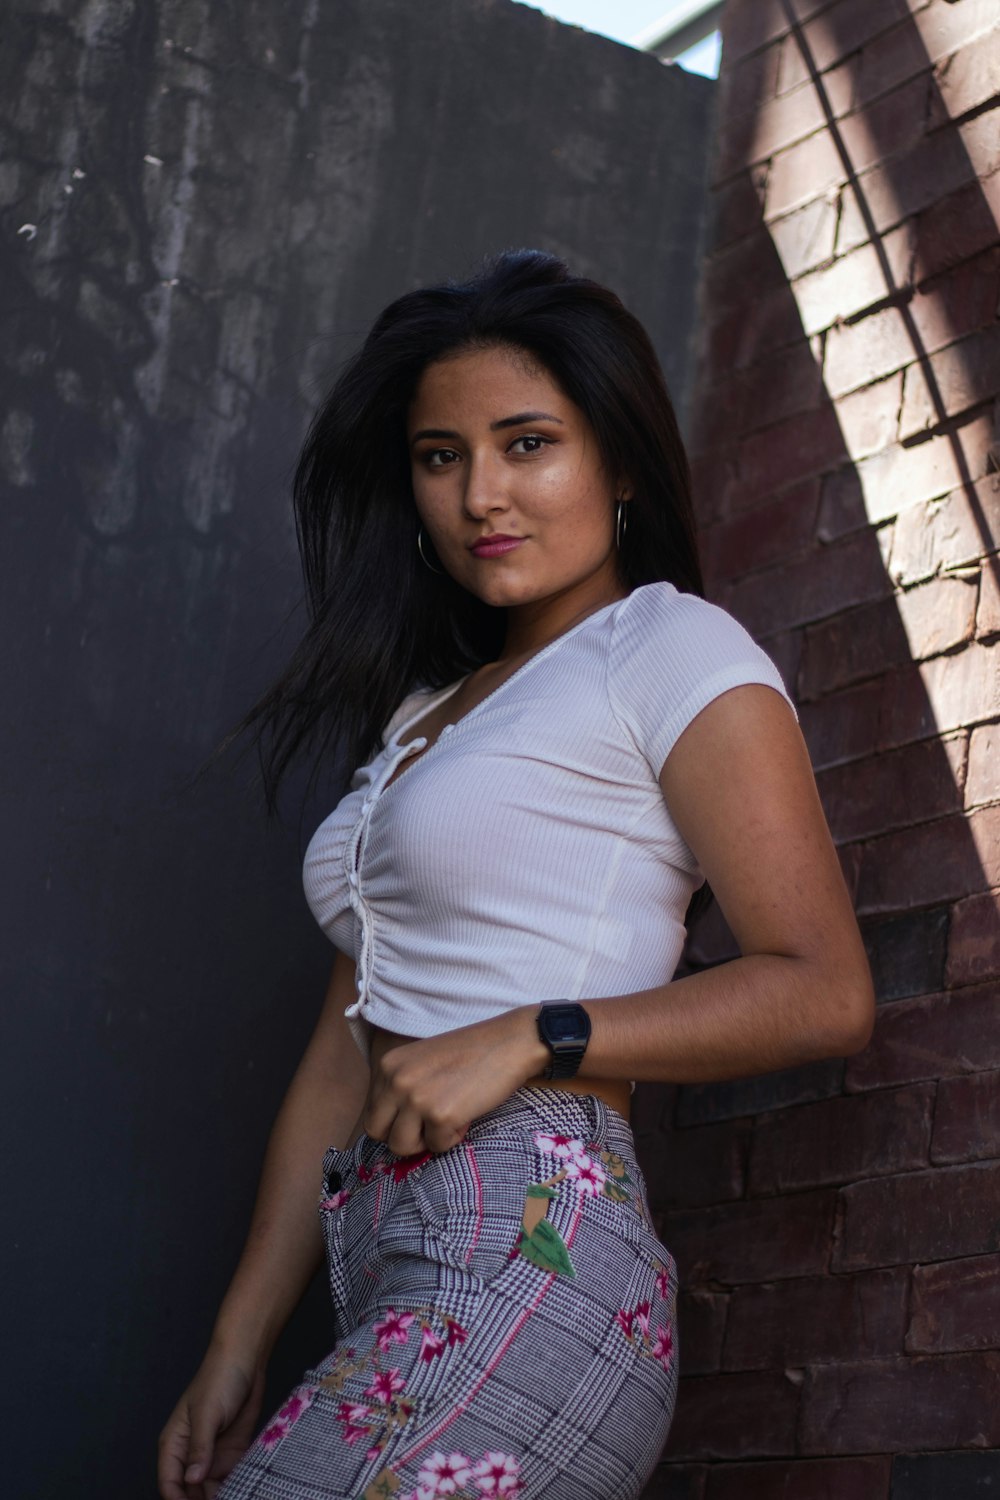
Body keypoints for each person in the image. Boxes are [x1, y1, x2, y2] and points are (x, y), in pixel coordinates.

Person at [158, 250, 874, 1500]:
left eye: (527, 442)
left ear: (623, 464)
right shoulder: (423, 718)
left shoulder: (666, 646)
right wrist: (237, 1344)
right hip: (390, 1253)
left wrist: (531, 1034)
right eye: (442, 456)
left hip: (536, 1240)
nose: (480, 493)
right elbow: (345, 1052)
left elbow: (821, 987)